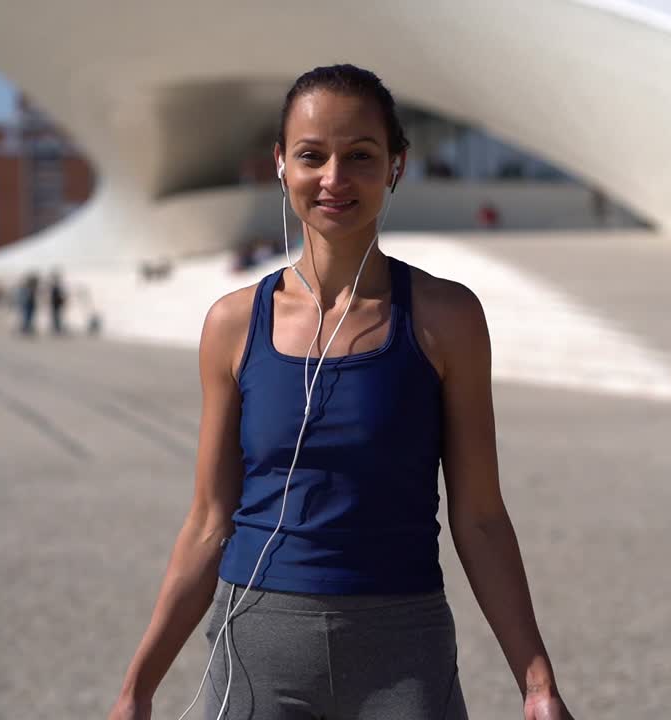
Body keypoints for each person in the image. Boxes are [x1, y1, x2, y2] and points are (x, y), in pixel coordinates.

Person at [107, 65, 573, 720]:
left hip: (402, 655)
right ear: (279, 164)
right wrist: (137, 690)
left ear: (396, 166)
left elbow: (480, 516)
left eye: (360, 156)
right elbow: (210, 520)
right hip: (256, 648)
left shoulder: (446, 318)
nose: (334, 178)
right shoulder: (234, 324)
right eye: (311, 155)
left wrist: (536, 681)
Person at [48, 271, 68, 335]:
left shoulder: (56, 286)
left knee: (57, 316)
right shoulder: (54, 287)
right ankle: (57, 329)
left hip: (56, 304)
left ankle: (57, 328)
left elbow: (60, 295)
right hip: (55, 304)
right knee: (56, 316)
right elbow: (53, 296)